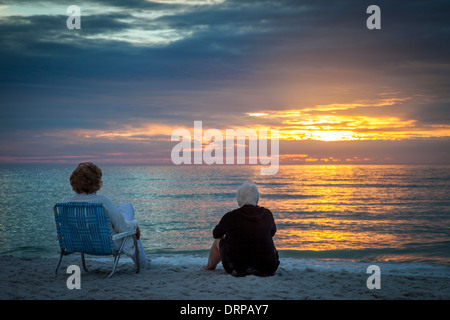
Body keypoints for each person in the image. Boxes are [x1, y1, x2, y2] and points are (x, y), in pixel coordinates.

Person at [63, 162, 148, 267]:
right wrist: (135, 225)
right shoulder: (102, 201)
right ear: (97, 182)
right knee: (126, 209)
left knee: (122, 210)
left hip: (80, 244)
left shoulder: (65, 203)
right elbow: (123, 229)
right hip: (107, 244)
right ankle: (143, 263)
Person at [204, 182, 279, 276]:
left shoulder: (230, 217)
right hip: (268, 268)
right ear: (257, 200)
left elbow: (216, 234)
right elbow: (272, 232)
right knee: (267, 237)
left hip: (235, 268)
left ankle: (209, 267)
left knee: (218, 240)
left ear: (239, 200)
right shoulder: (267, 214)